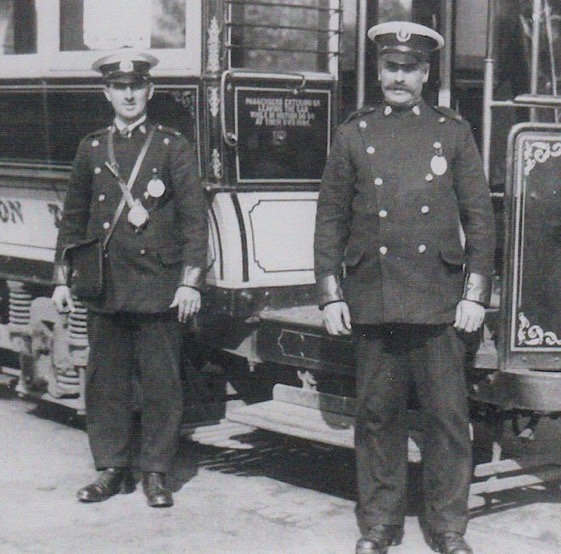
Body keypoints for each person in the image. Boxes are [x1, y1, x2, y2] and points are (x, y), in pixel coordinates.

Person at [314, 22, 495, 554]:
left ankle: (447, 528)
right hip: (376, 296)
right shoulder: (353, 133)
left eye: (408, 68)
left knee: (446, 421)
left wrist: (474, 293)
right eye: (389, 68)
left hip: (438, 301)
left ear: (425, 73)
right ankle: (379, 526)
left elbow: (480, 218)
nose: (398, 77)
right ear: (378, 72)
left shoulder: (453, 131)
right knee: (377, 418)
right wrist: (331, 292)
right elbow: (330, 220)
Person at [51, 50, 208, 508]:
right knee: (106, 384)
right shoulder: (92, 148)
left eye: (136, 86)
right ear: (107, 93)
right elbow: (73, 217)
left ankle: (157, 472)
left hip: (158, 285)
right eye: (120, 87)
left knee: (162, 382)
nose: (129, 94)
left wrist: (190, 281)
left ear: (150, 91)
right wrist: (62, 278)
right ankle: (111, 469)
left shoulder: (171, 145)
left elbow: (194, 220)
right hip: (106, 284)